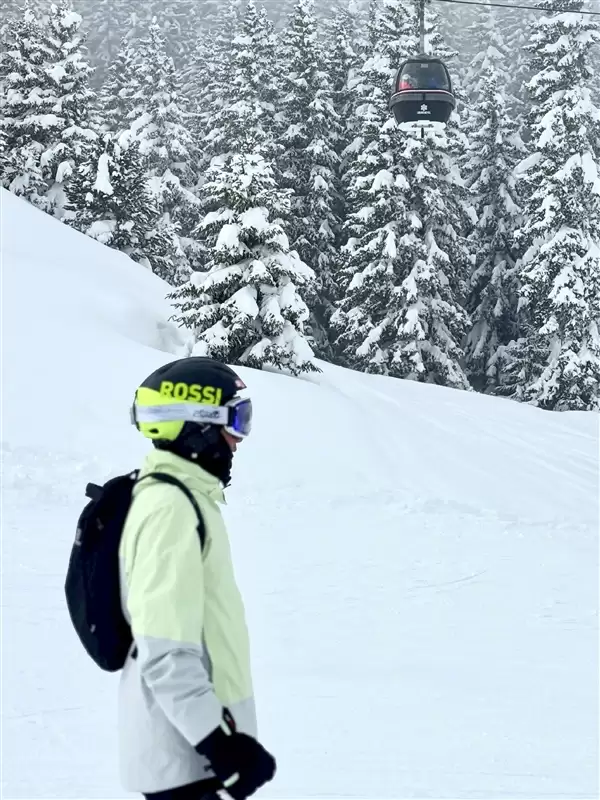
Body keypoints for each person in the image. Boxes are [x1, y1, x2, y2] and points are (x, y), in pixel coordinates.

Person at [119, 356, 276, 800]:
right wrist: (220, 746)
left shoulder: (186, 499)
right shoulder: (170, 508)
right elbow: (166, 651)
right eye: (236, 421)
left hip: (195, 757)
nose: (239, 440)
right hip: (186, 760)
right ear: (199, 425)